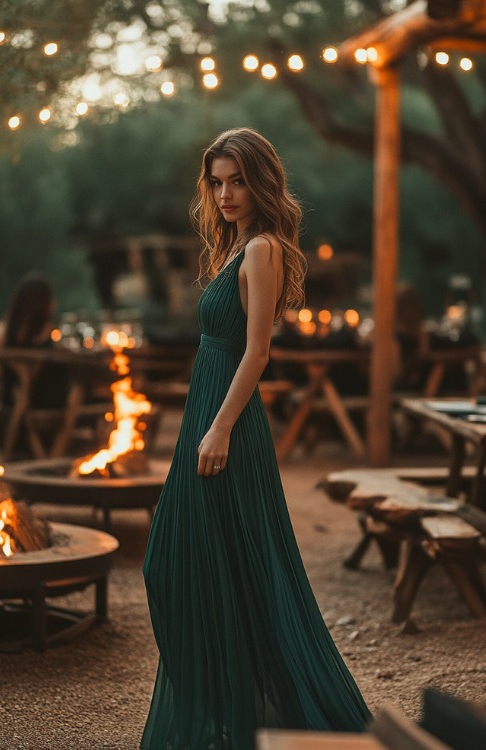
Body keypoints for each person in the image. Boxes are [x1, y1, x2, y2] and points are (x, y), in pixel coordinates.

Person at [141, 128, 371, 750]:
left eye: (237, 180)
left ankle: (240, 715)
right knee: (194, 562)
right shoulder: (234, 246)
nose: (225, 194)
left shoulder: (263, 249)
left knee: (197, 562)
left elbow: (258, 351)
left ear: (261, 181)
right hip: (206, 410)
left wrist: (219, 428)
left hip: (228, 423)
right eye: (217, 182)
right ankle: (226, 710)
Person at [0, 272, 68, 449]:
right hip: (40, 404)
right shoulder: (49, 334)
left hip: (10, 402)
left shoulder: (4, 333)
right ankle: (55, 451)